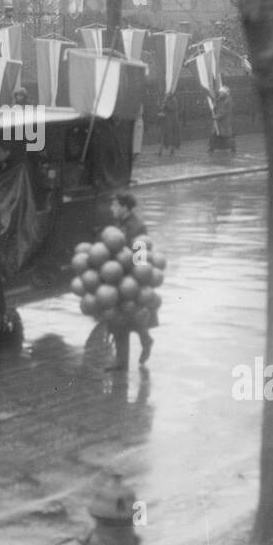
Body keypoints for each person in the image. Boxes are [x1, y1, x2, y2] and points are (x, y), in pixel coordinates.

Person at [106, 192, 155, 371]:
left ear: (125, 207)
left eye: (115, 205)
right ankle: (121, 360)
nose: (112, 209)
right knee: (117, 319)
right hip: (117, 277)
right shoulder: (117, 224)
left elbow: (141, 259)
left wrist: (133, 280)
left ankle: (145, 340)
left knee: (131, 317)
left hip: (131, 280)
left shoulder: (138, 227)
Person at [208, 86, 235, 153]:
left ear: (225, 93)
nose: (220, 93)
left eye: (221, 92)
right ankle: (211, 148)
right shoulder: (219, 99)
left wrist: (216, 117)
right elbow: (216, 107)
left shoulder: (228, 100)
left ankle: (232, 147)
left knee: (226, 136)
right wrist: (213, 105)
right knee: (214, 135)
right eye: (220, 92)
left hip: (224, 122)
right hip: (219, 122)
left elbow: (224, 112)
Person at [157, 92, 180, 157]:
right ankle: (160, 151)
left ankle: (172, 150)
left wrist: (166, 103)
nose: (167, 95)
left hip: (172, 121)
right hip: (165, 121)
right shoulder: (164, 100)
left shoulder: (174, 100)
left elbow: (173, 108)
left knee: (172, 136)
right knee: (162, 136)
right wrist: (163, 105)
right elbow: (161, 109)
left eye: (168, 94)